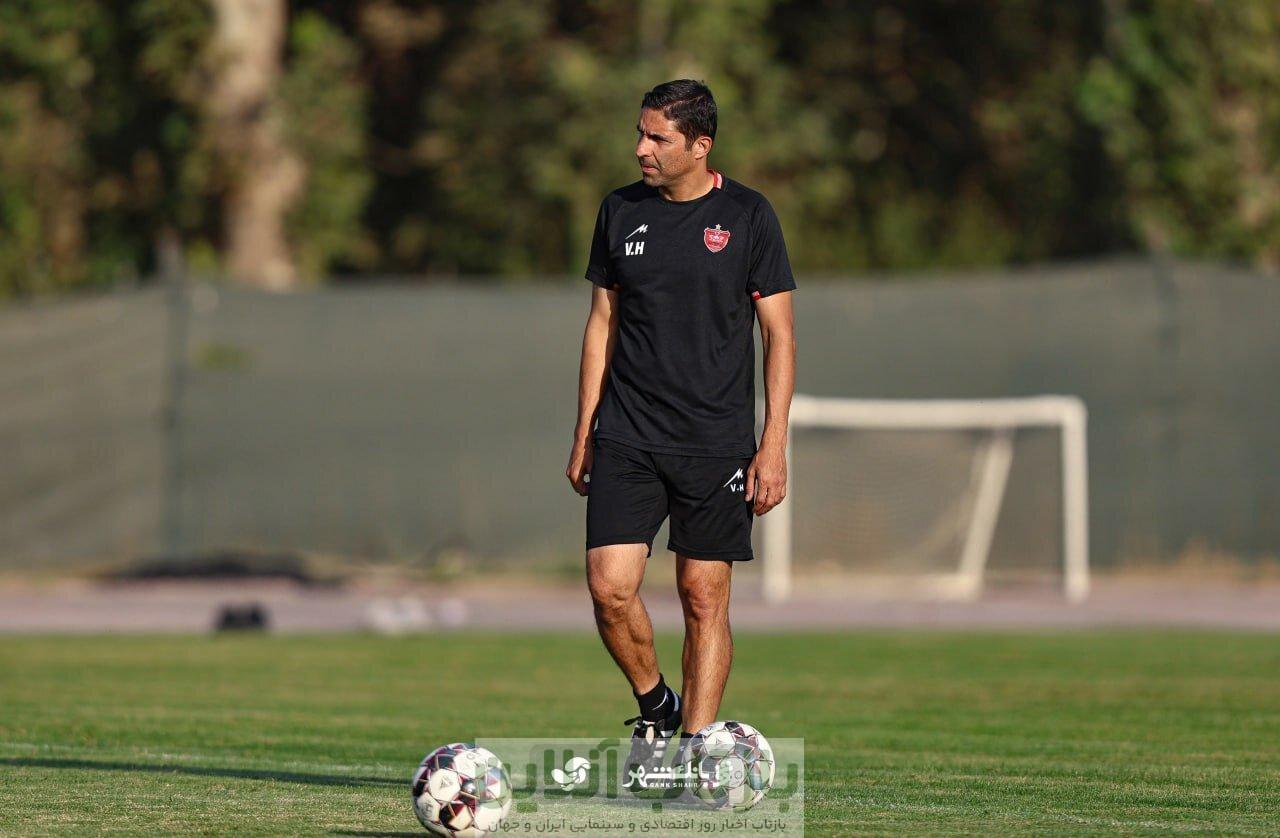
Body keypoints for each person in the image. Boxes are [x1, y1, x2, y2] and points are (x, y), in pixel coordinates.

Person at [565, 79, 797, 784]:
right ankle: (655, 704)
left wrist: (773, 444)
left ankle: (696, 752)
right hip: (627, 433)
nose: (641, 148)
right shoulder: (619, 211)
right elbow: (602, 323)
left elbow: (779, 336)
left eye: (657, 137)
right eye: (639, 133)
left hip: (715, 441)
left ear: (700, 145)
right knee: (609, 588)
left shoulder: (749, 215)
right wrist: (584, 429)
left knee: (702, 596)